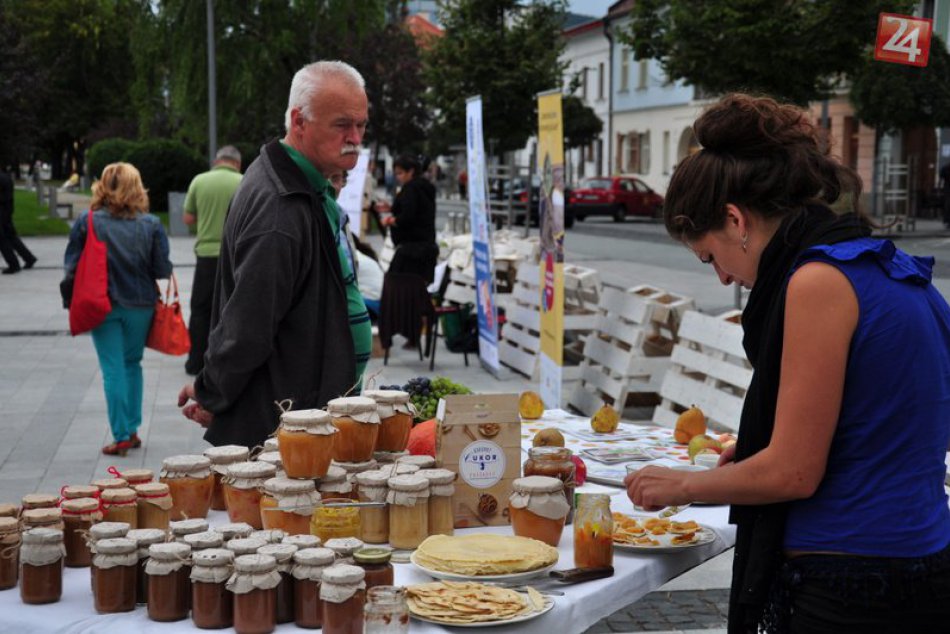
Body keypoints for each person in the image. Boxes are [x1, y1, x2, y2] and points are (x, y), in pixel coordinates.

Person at [624, 94, 950, 633]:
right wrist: (756, 453)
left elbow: (793, 472)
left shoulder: (818, 282)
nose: (722, 277)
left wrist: (681, 485)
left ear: (735, 219)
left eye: (710, 256)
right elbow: (885, 425)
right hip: (923, 557)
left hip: (853, 582)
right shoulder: (894, 269)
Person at [177, 60, 372, 448]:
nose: (355, 137)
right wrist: (212, 391)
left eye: (361, 125)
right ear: (299, 122)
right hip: (285, 429)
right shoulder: (280, 209)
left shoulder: (302, 185)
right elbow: (248, 323)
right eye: (341, 125)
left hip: (301, 415)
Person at [63, 162, 173, 456]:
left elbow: (71, 266)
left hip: (102, 304)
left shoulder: (88, 221)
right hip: (141, 305)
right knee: (132, 363)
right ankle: (133, 429)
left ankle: (121, 434)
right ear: (137, 187)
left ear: (102, 186)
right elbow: (162, 269)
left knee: (112, 368)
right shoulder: (151, 224)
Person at [182, 145, 243, 376]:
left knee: (200, 309)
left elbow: (188, 218)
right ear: (237, 163)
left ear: (217, 161)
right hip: (235, 256)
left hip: (206, 255)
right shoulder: (244, 181)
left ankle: (195, 361)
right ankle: (225, 360)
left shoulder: (199, 181)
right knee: (231, 309)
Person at [381, 154, 439, 283]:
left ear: (411, 171)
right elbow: (418, 211)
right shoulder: (425, 187)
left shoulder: (411, 188)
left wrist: (390, 220)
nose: (398, 177)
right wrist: (392, 208)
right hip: (426, 248)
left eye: (400, 173)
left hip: (411, 252)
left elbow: (407, 217)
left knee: (398, 287)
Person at [0, 165, 37, 274]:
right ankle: (28, 258)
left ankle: (13, 264)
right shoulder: (5, 177)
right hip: (7, 210)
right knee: (11, 237)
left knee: (2, 240)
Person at [939, 161, 950, 229]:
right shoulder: (945, 168)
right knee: (947, 204)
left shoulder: (945, 168)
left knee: (947, 204)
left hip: (947, 188)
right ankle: (947, 221)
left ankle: (947, 221)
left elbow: (940, 179)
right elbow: (941, 179)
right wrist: (939, 189)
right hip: (947, 188)